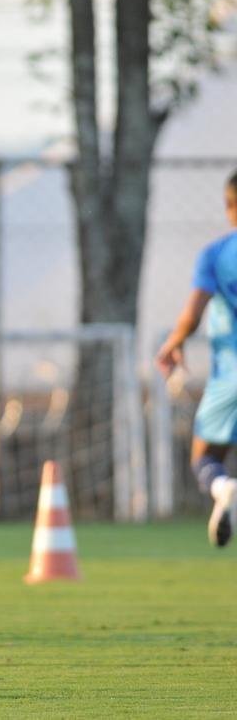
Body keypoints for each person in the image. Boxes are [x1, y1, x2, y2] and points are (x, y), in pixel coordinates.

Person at [157, 169, 237, 547]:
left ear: (228, 206)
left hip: (231, 376)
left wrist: (173, 342)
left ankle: (223, 490)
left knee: (204, 456)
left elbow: (192, 313)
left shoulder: (217, 254)